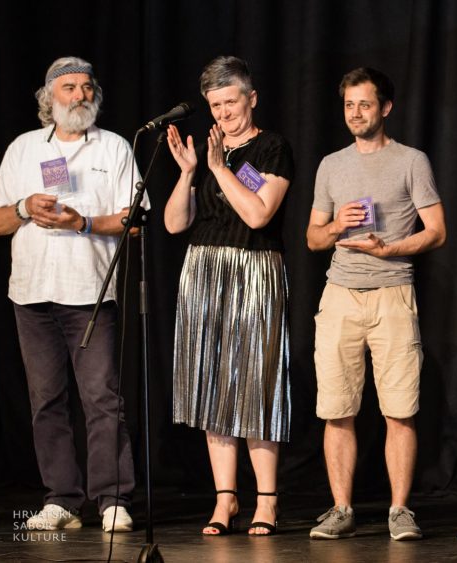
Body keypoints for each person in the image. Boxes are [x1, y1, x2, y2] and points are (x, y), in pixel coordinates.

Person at [0, 56, 140, 533]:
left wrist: (83, 223)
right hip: (32, 295)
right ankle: (62, 500)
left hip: (89, 293)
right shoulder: (24, 148)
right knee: (46, 401)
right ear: (48, 98)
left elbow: (134, 221)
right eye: (68, 87)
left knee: (102, 399)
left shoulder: (113, 147)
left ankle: (112, 499)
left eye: (87, 86)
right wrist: (24, 207)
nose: (80, 95)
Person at [306, 67, 446, 541]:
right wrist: (335, 226)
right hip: (340, 296)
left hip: (392, 293)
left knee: (399, 409)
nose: (355, 113)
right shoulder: (331, 165)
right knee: (336, 408)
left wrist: (391, 249)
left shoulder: (411, 161)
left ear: (385, 107)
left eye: (364, 104)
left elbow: (437, 231)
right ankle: (341, 508)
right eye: (349, 105)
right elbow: (313, 239)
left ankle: (400, 510)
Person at [165, 56, 294, 536]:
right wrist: (188, 172)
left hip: (254, 270)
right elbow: (175, 224)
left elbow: (259, 214)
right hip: (204, 271)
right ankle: (225, 500)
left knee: (257, 386)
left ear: (251, 98)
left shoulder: (273, 148)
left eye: (230, 102)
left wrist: (219, 169)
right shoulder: (207, 152)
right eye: (215, 105)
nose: (222, 113)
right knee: (211, 385)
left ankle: (266, 501)